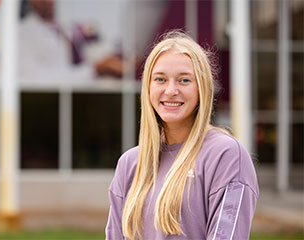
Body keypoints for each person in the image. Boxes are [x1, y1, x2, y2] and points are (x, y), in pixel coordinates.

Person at [105, 30, 259, 240]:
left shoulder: (226, 155)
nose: (170, 90)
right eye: (160, 79)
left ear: (201, 88)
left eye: (184, 80)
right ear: (148, 88)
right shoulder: (130, 163)